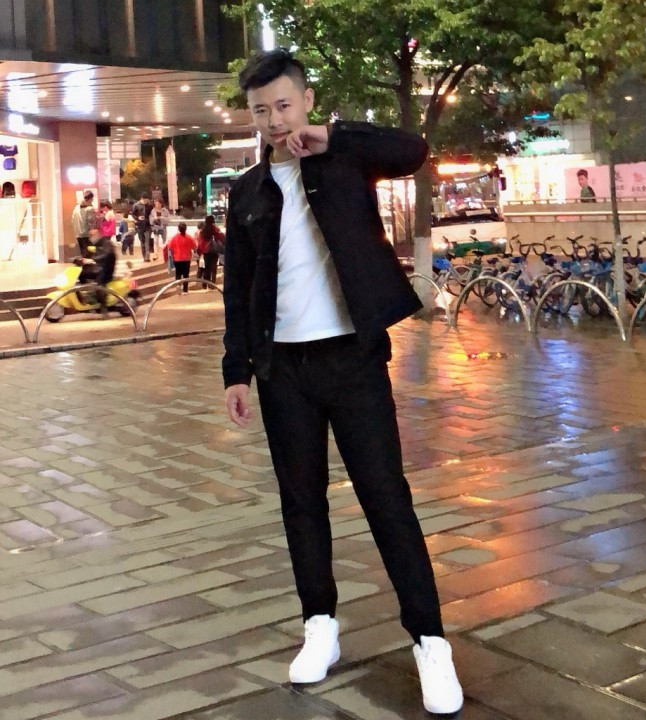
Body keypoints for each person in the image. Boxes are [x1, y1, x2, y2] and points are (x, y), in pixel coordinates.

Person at [221, 49, 463, 715]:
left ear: (306, 100)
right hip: (282, 370)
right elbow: (237, 288)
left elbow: (412, 150)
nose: (275, 120)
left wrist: (335, 135)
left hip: (352, 361)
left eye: (284, 105)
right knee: (301, 502)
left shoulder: (345, 159)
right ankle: (320, 626)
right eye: (262, 110)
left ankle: (429, 641)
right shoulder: (247, 191)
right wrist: (236, 370)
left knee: (387, 497)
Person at [163, 222, 196, 293]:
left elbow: (170, 247)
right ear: (186, 229)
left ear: (178, 229)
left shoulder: (175, 237)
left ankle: (178, 286)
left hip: (177, 258)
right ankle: (185, 290)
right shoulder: (189, 238)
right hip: (186, 259)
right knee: (186, 275)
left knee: (178, 273)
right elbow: (194, 247)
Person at [196, 215, 224, 288]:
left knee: (206, 268)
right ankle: (212, 284)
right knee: (214, 268)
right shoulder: (215, 229)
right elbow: (221, 238)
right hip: (214, 251)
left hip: (206, 251)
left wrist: (200, 252)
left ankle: (205, 284)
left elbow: (200, 242)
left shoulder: (203, 231)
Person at [71, 191, 98, 257]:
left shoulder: (76, 208)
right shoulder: (90, 209)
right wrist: (93, 230)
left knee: (83, 252)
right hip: (86, 234)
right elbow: (91, 221)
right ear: (91, 198)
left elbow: (72, 220)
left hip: (78, 233)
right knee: (90, 253)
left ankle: (85, 262)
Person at [132, 192, 153, 261]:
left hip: (148, 225)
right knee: (142, 241)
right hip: (140, 225)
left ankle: (147, 256)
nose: (146, 201)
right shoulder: (136, 205)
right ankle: (144, 256)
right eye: (144, 200)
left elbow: (152, 214)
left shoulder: (150, 206)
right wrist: (138, 218)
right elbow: (133, 214)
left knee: (147, 240)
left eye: (147, 200)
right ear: (141, 199)